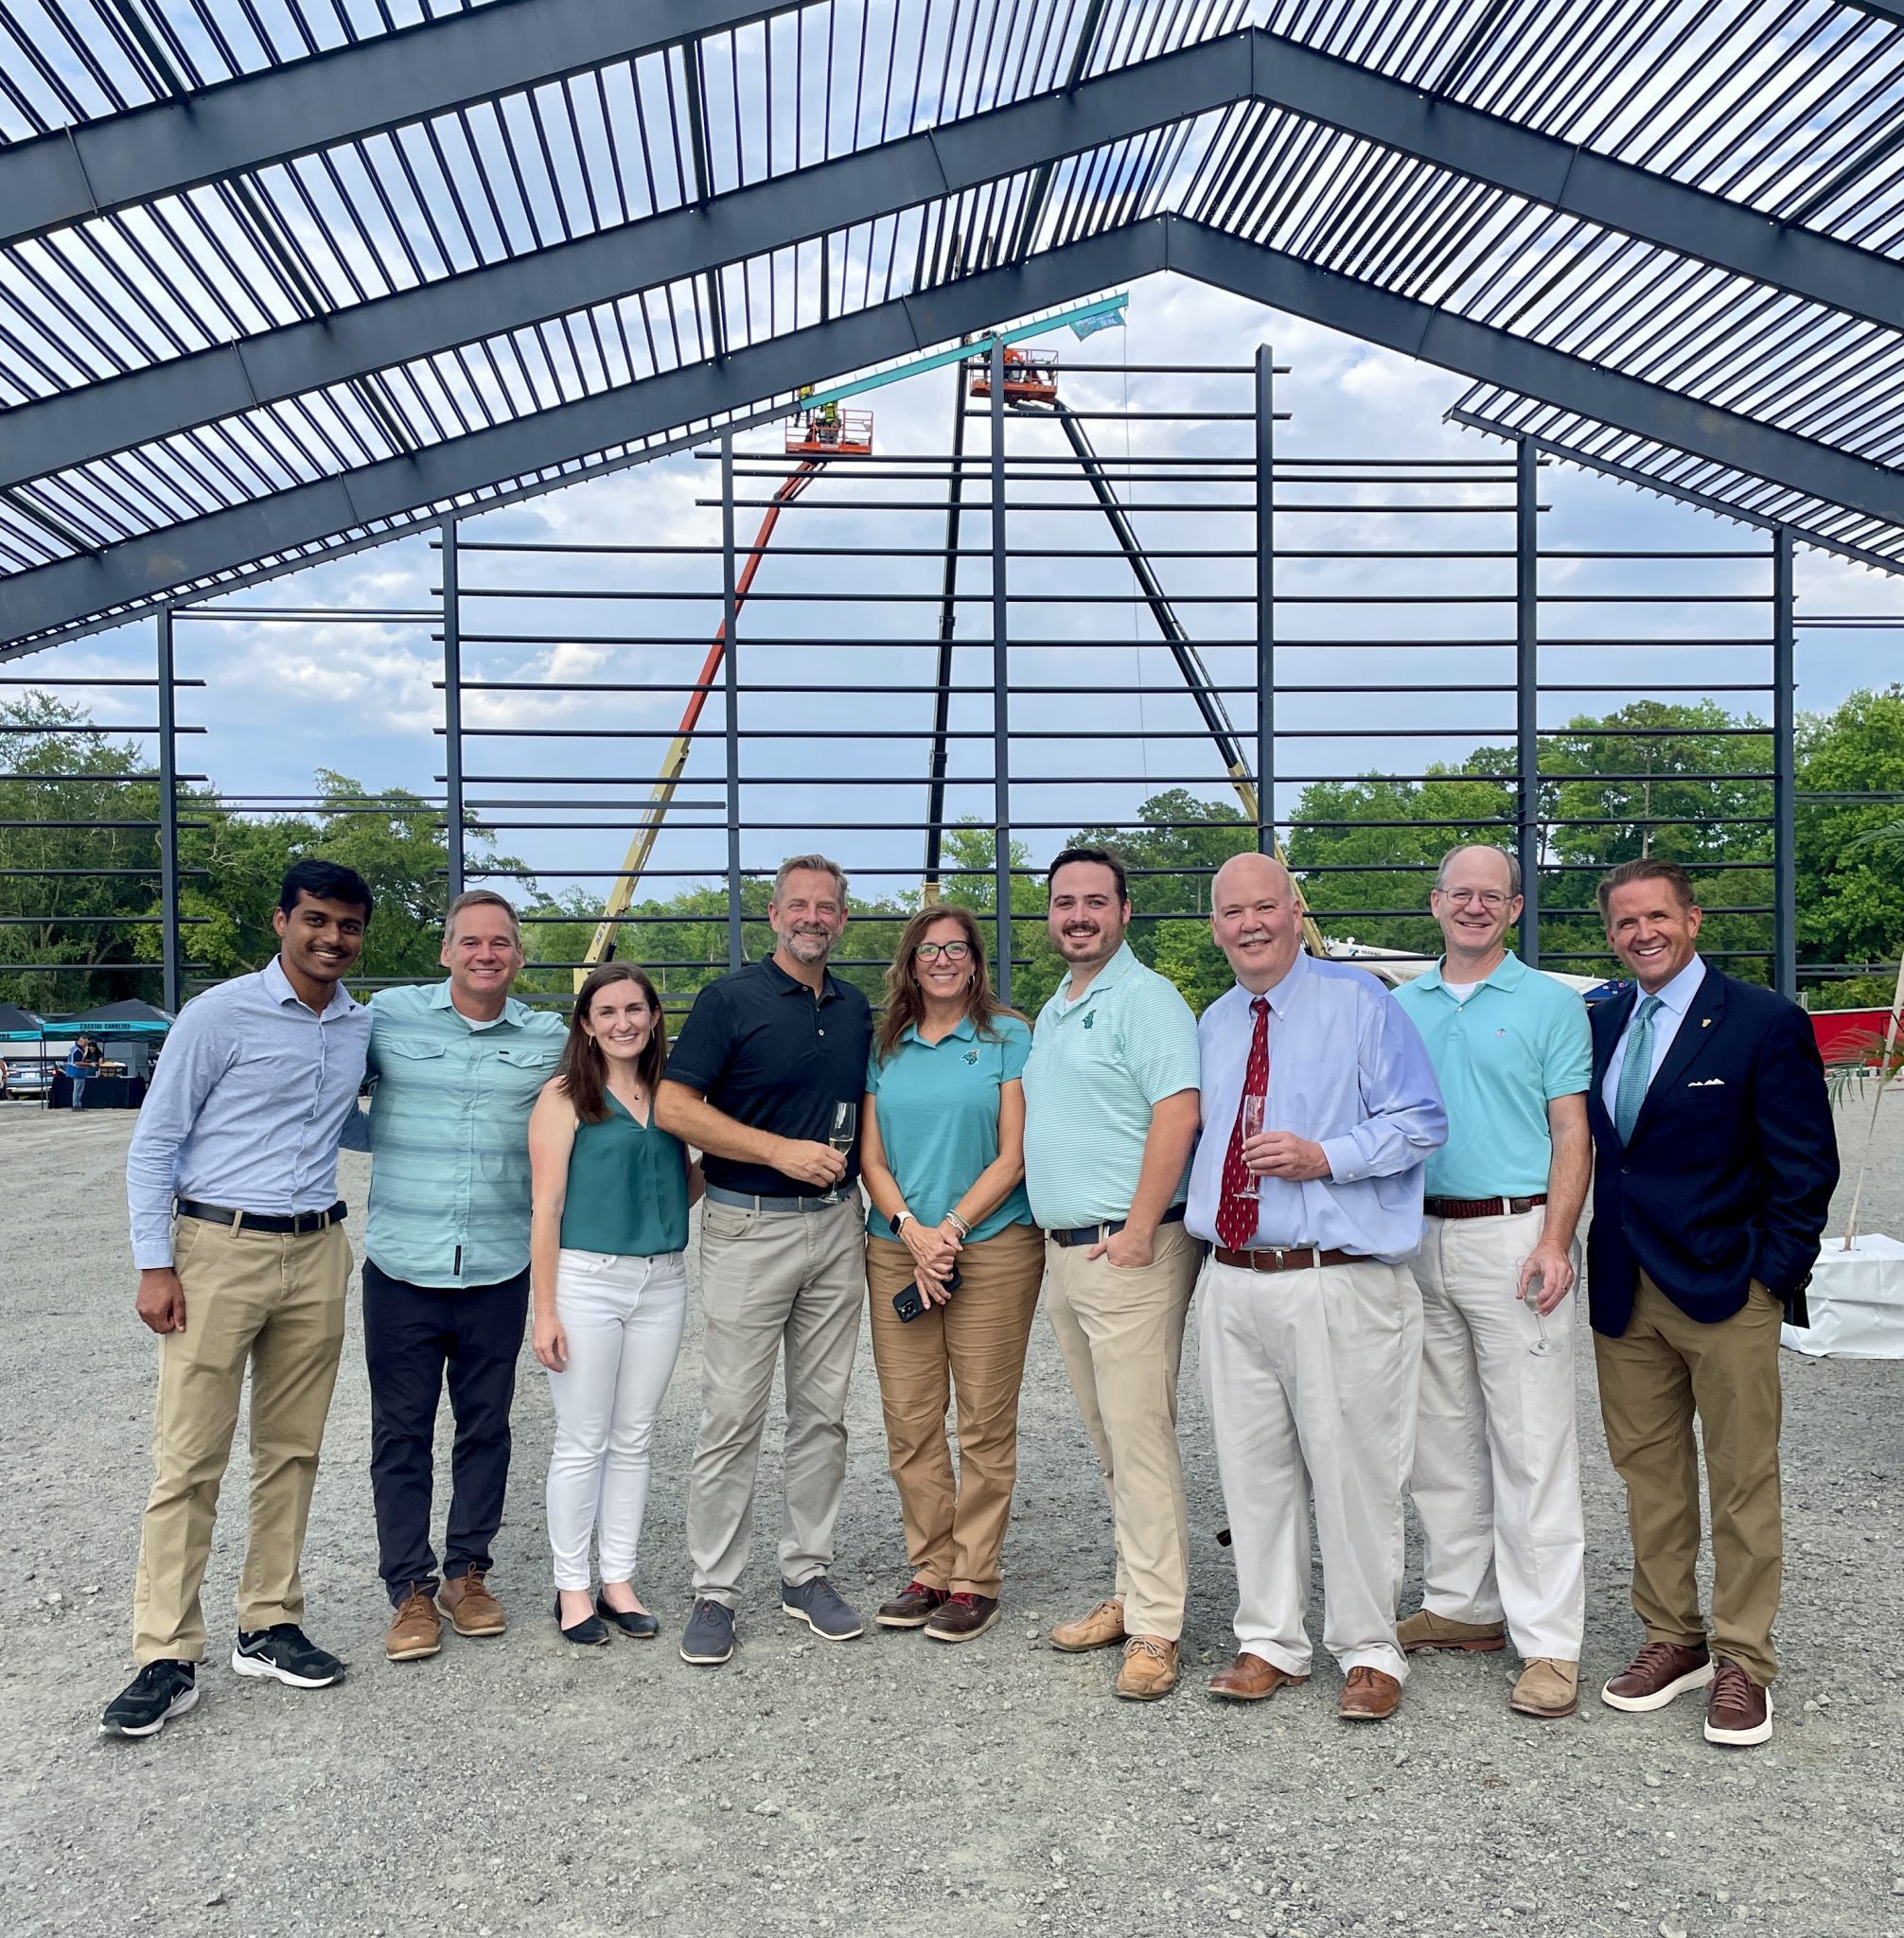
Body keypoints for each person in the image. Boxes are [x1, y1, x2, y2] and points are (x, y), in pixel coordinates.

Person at [103, 859, 374, 1740]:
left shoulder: (358, 1026)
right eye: (317, 920)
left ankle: (268, 1621)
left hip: (317, 1248)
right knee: (188, 1457)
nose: (332, 938)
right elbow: (156, 1142)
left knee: (291, 1451)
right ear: (281, 920)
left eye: (347, 926)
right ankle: (165, 1653)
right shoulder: (218, 1014)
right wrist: (155, 1263)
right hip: (216, 1249)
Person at [1586, 858, 1837, 1748]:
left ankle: (1744, 1660)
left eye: (1658, 916)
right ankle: (1672, 1637)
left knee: (1741, 1478)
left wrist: (1772, 1274)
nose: (1642, 933)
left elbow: (1805, 1165)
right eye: (1625, 923)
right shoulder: (1603, 1018)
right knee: (1648, 1477)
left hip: (1727, 1286)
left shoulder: (1763, 1021)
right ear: (1610, 933)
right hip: (1624, 1288)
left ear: (1692, 919)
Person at [1189, 852, 1445, 1723]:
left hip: (1333, 1273)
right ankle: (1270, 1640)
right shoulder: (1217, 1021)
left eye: (1266, 907)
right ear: (1215, 924)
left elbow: (1421, 1122)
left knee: (1354, 1470)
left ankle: (1371, 1648)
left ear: (1296, 912)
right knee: (1253, 1470)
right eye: (1232, 912)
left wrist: (1323, 1157)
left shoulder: (1362, 1003)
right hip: (1235, 1277)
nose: (1250, 924)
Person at [655, 855, 873, 1666]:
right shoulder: (729, 999)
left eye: (826, 907)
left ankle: (805, 1572)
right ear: (774, 913)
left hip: (834, 1227)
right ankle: (715, 1590)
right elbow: (676, 1105)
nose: (812, 918)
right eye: (798, 905)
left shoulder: (854, 1008)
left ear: (842, 920)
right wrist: (778, 1152)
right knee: (732, 1415)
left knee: (823, 1414)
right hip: (748, 1226)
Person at [1390, 845, 1592, 1720]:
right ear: (1435, 903)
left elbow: (1570, 1130)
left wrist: (1557, 1236)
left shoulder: (1551, 1002)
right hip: (1416, 1232)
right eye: (1459, 894)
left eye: (1492, 896)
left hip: (1515, 1231)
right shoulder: (1399, 1008)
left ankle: (1549, 1642)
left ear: (1514, 909)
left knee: (1531, 1437)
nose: (1474, 907)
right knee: (1438, 1434)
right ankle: (1462, 1603)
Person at [357, 890, 567, 1663]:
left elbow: (622, 1080)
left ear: (519, 956)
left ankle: (467, 1573)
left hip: (497, 1266)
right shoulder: (387, 1019)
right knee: (401, 1433)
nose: (486, 955)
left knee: (487, 1429)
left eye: (501, 943)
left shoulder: (548, 1038)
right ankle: (408, 1588)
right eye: (470, 942)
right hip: (402, 1266)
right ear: (445, 950)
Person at [1021, 846, 1202, 1701]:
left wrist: (1136, 1229)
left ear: (1126, 911)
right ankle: (1132, 1593)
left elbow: (1180, 1112)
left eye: (1097, 901)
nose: (1079, 916)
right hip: (1066, 1252)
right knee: (1108, 1441)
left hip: (1127, 1249)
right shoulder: (1057, 1008)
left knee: (1139, 1438)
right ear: (1049, 914)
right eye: (1065, 902)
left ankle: (1159, 1627)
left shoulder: (1146, 998)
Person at [857, 903, 1041, 1644]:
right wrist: (913, 1232)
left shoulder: (1008, 1037)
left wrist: (953, 1231)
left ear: (974, 959)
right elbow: (869, 1156)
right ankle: (929, 1568)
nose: (941, 960)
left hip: (991, 1247)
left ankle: (974, 1579)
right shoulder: (887, 1045)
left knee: (985, 1421)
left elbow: (1014, 1153)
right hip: (896, 1246)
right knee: (909, 1418)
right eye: (928, 949)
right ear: (909, 960)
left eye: (955, 948)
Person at [530, 963, 700, 1647]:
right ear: (586, 1024)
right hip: (587, 1281)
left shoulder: (672, 1095)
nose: (623, 1022)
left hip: (661, 1280)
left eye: (636, 1009)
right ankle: (572, 1587)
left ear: (655, 1017)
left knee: (634, 1437)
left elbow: (677, 1187)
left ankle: (618, 1579)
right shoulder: (567, 1095)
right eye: (608, 1012)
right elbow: (546, 1208)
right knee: (581, 1439)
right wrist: (545, 1310)